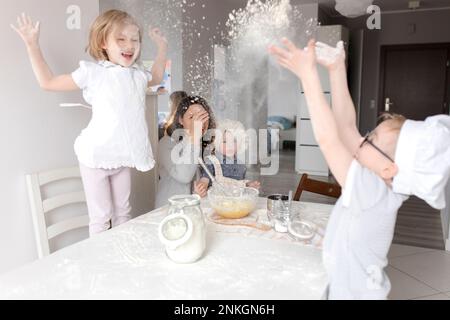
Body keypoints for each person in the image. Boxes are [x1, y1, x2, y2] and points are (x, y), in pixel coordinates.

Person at [269, 38, 450, 299]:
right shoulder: (383, 184)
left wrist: (308, 76)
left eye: (370, 139)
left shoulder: (372, 192)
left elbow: (330, 139)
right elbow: (346, 129)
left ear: (389, 169)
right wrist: (336, 70)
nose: (361, 139)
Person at [12, 10, 168, 235]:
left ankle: (121, 257)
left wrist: (162, 47)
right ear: (104, 42)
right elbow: (49, 82)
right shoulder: (94, 73)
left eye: (135, 39)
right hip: (95, 157)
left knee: (123, 213)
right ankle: (99, 264)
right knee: (101, 218)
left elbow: (157, 76)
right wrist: (32, 45)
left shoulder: (137, 76)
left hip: (122, 156)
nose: (130, 45)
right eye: (121, 39)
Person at [155, 95, 216, 208]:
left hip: (195, 210)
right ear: (181, 120)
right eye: (192, 117)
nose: (199, 122)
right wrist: (193, 138)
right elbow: (184, 176)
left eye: (202, 116)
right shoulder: (166, 144)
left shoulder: (207, 146)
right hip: (170, 211)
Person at [194, 119, 261, 198]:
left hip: (234, 204)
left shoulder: (241, 166)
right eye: (225, 142)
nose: (230, 146)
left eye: (234, 141)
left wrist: (248, 185)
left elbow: (239, 186)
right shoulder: (212, 161)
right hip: (216, 203)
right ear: (217, 142)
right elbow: (205, 180)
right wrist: (201, 187)